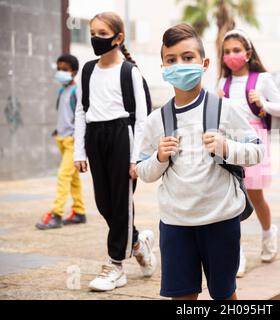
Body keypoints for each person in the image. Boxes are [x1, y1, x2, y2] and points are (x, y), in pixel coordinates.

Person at [136, 23, 264, 300]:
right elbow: (142, 171)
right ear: (163, 67)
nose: (179, 64)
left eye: (188, 57)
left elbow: (257, 151)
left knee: (224, 294)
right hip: (175, 223)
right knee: (182, 297)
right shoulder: (155, 120)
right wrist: (159, 157)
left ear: (204, 63)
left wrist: (227, 147)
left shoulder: (225, 109)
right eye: (171, 60)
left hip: (221, 220)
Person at [74, 12, 156, 292]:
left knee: (121, 202)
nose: (96, 38)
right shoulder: (87, 70)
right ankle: (137, 242)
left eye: (102, 33)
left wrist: (137, 157)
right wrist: (79, 151)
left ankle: (115, 265)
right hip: (96, 137)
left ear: (118, 38)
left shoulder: (129, 72)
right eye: (92, 33)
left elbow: (143, 117)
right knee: (104, 203)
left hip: (123, 135)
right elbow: (81, 111)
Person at [217, 29, 280, 276]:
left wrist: (263, 103)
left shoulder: (262, 79)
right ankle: (237, 254)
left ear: (247, 53)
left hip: (255, 140)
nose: (231, 55)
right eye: (227, 52)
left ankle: (269, 234)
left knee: (255, 196)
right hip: (228, 143)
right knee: (232, 198)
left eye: (236, 50)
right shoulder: (221, 84)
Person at [36, 54, 87, 230]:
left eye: (64, 69)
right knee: (72, 178)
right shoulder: (61, 91)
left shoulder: (77, 91)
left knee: (63, 176)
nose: (60, 72)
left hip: (72, 141)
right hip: (61, 139)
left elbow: (81, 116)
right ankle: (79, 212)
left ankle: (56, 214)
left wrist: (78, 137)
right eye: (59, 69)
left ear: (73, 72)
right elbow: (63, 114)